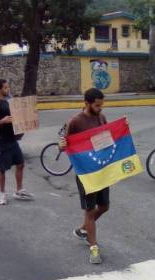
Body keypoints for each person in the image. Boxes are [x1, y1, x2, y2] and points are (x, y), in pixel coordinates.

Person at [60, 88, 109, 264]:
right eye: (97, 105)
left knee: (104, 207)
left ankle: (83, 229)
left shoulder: (101, 117)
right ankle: (94, 247)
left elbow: (107, 139)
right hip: (85, 172)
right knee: (89, 210)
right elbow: (63, 146)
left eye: (101, 105)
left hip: (101, 169)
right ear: (87, 103)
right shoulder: (75, 122)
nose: (100, 109)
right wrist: (62, 145)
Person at [0, 79, 33, 205]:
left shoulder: (10, 102)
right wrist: (2, 121)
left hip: (12, 140)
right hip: (1, 141)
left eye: (8, 87)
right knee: (1, 169)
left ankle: (19, 190)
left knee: (20, 164)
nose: (8, 89)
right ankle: (2, 194)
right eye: (6, 88)